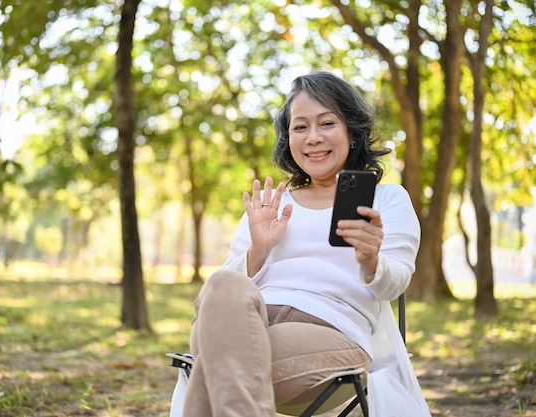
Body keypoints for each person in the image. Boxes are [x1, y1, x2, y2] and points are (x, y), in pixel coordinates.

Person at [179, 71, 430, 416]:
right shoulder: (271, 204)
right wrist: (258, 251)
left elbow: (396, 284)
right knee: (223, 285)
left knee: (217, 363)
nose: (313, 138)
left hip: (327, 328)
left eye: (326, 123)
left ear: (352, 134)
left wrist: (371, 260)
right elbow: (218, 298)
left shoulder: (386, 199)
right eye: (300, 127)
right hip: (248, 317)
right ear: (288, 138)